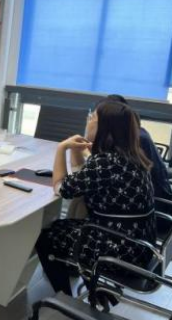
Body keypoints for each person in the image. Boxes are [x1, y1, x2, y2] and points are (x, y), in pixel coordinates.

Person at [35, 100, 155, 296]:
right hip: (140, 244)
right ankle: (92, 285)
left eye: (92, 118)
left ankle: (64, 296)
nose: (88, 120)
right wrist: (76, 150)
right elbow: (83, 178)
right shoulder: (130, 155)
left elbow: (61, 188)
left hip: (121, 250)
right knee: (64, 226)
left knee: (47, 236)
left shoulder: (106, 161)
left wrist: (61, 148)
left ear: (105, 128)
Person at [104, 94, 172, 203]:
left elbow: (111, 170)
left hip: (155, 202)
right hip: (150, 198)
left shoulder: (136, 139)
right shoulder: (138, 132)